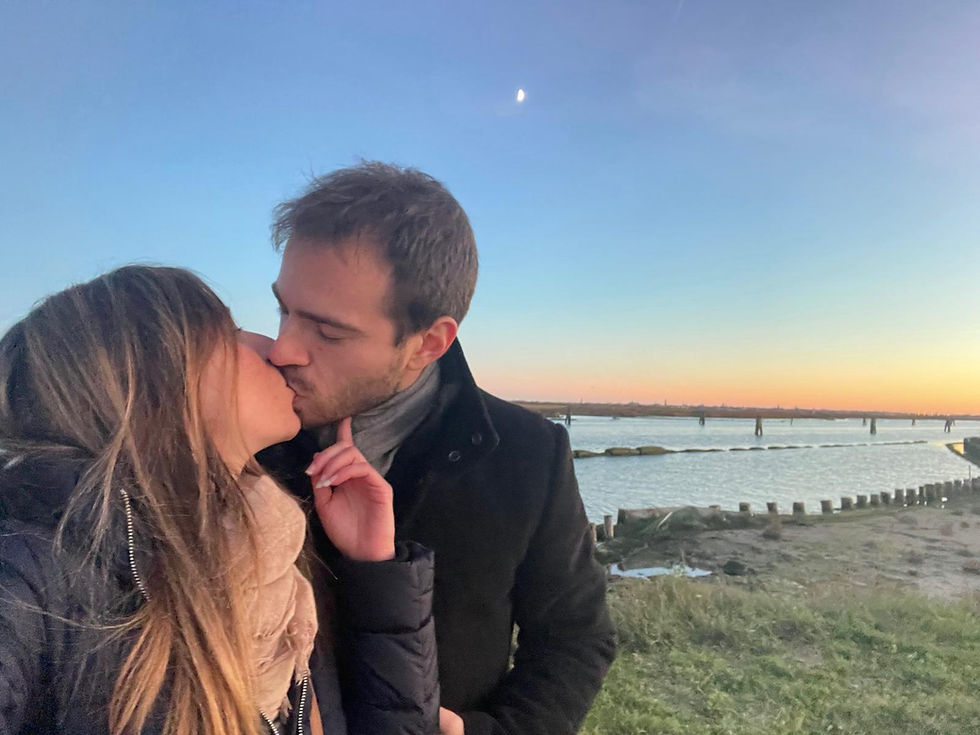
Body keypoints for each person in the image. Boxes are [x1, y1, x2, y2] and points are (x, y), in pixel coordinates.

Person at [0, 265, 439, 735]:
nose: (277, 348)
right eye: (228, 331)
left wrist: (376, 567)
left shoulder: (267, 560)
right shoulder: (30, 577)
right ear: (153, 378)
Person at [258, 162, 616, 735]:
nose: (283, 350)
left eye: (327, 332)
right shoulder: (246, 437)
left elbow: (576, 638)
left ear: (429, 342)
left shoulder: (529, 455)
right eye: (284, 310)